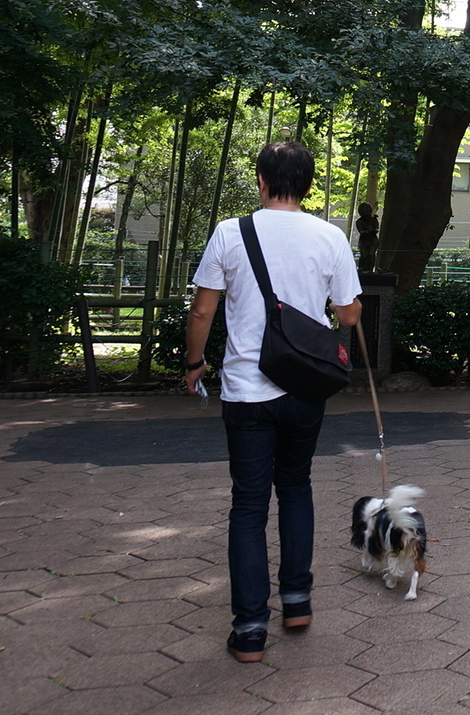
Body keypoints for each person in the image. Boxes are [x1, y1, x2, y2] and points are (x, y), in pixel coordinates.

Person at [183, 141, 361, 664]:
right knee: (297, 486)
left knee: (248, 503)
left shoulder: (230, 233)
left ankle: (251, 629)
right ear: (307, 185)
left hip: (245, 391)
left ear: (262, 181)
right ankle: (298, 600)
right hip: (306, 389)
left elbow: (201, 312)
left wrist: (195, 365)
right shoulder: (330, 236)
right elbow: (348, 316)